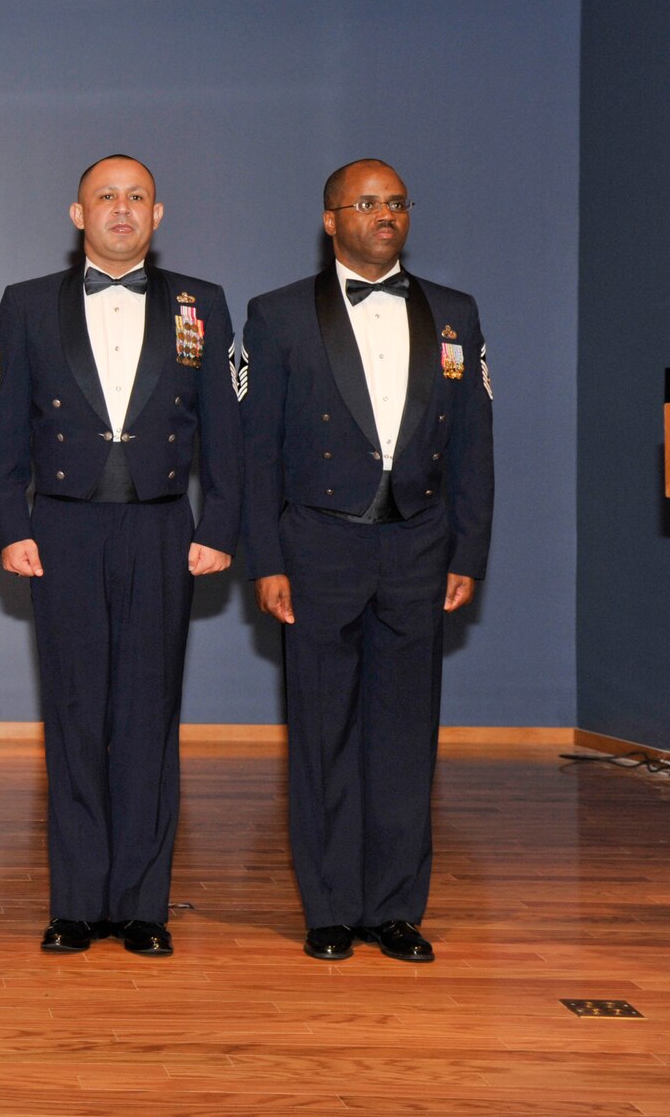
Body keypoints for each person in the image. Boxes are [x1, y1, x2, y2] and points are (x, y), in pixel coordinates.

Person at [240, 158, 494, 963]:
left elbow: (476, 449)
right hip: (318, 548)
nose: (385, 214)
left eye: (396, 203)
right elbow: (258, 453)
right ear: (331, 220)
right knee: (321, 736)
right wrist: (266, 559)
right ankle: (329, 907)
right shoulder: (277, 315)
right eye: (367, 202)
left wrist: (470, 549)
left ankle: (394, 909)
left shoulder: (455, 313)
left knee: (405, 737)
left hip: (419, 548)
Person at [0, 155, 242, 958]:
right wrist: (11, 524)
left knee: (147, 720)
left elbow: (227, 433)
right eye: (107, 197)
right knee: (72, 719)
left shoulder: (204, 304)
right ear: (77, 213)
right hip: (60, 530)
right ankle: (75, 903)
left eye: (137, 197)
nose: (122, 209)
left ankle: (140, 905)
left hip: (163, 528)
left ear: (158, 215)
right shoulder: (26, 305)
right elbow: (2, 437)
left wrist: (221, 525)